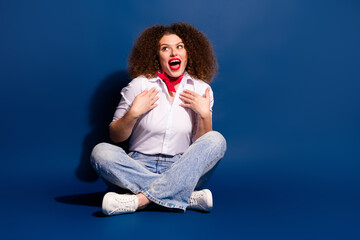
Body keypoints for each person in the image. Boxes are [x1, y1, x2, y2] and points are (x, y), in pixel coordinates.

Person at [90, 22, 226, 215]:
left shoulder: (201, 89)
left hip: (183, 167)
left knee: (216, 140)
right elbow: (116, 136)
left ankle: (139, 201)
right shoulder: (139, 85)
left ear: (189, 53)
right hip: (138, 166)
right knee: (100, 152)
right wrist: (134, 112)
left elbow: (201, 145)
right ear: (157, 56)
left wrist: (203, 114)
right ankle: (184, 197)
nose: (173, 53)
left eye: (179, 46)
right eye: (165, 48)